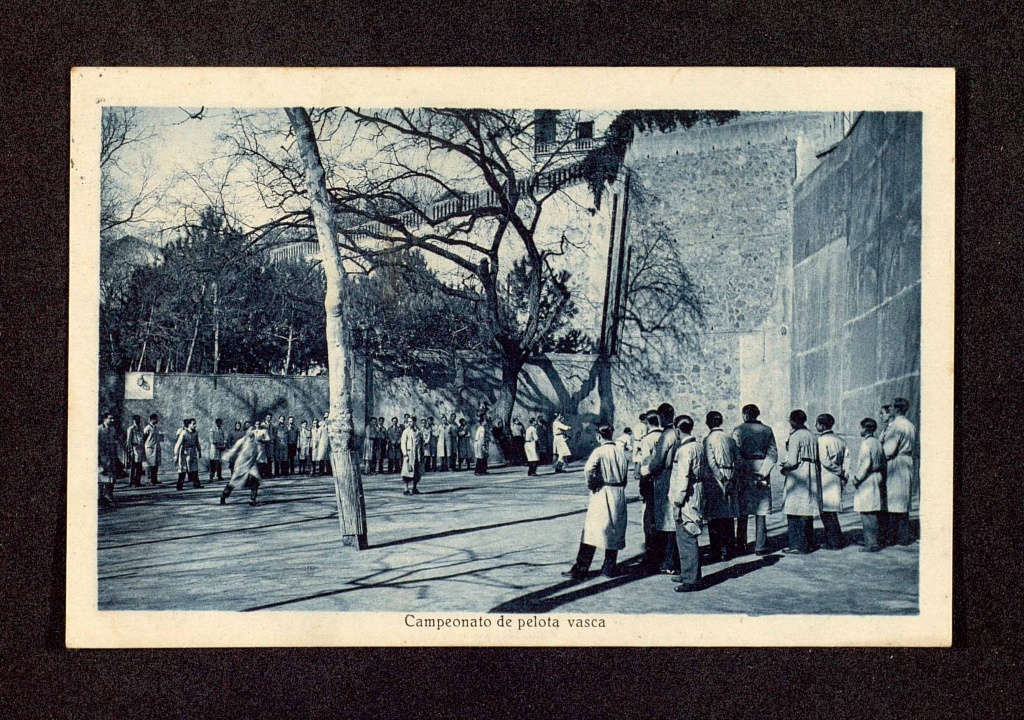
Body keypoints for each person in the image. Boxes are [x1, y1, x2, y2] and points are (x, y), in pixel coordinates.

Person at [561, 424, 629, 581]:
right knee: (613, 530)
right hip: (618, 493)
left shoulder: (599, 451)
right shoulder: (620, 451)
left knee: (591, 531)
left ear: (599, 436)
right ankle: (609, 568)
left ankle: (580, 569)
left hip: (603, 492)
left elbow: (588, 469)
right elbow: (625, 475)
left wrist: (592, 483)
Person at [640, 403, 682, 575]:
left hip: (665, 477)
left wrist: (645, 471)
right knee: (672, 518)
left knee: (666, 520)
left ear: (661, 417)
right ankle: (670, 559)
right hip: (676, 474)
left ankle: (669, 561)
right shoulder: (679, 433)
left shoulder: (667, 435)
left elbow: (658, 461)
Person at [732, 404, 778, 556]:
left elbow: (736, 453)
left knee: (743, 511)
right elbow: (773, 454)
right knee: (761, 510)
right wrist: (763, 473)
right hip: (762, 468)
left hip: (745, 470)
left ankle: (740, 544)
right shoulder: (767, 430)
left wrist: (745, 469)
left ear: (745, 414)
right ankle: (760, 545)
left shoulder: (739, 430)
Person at [670, 415, 707, 592]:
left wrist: (677, 503)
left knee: (687, 536)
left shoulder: (684, 450)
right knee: (685, 535)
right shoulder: (698, 446)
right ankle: (687, 572)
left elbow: (683, 479)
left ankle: (692, 579)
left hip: (687, 496)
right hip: (697, 492)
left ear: (677, 430)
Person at [779, 409, 820, 554]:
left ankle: (797, 545)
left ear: (794, 421)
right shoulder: (812, 435)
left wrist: (784, 468)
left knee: (794, 509)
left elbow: (792, 461)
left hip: (798, 474)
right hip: (811, 473)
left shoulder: (796, 436)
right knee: (806, 509)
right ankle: (808, 543)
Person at [880, 397, 917, 546]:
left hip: (896, 463)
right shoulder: (910, 425)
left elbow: (889, 450)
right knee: (903, 499)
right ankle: (904, 537)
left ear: (895, 409)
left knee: (893, 500)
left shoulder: (896, 426)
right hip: (907, 461)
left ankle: (893, 537)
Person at [703, 410, 738, 562]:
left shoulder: (708, 439)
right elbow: (738, 459)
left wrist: (721, 478)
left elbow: (711, 463)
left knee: (715, 516)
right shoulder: (729, 438)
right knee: (728, 515)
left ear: (708, 423)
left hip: (716, 479)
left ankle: (717, 549)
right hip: (730, 474)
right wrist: (731, 477)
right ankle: (729, 548)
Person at [852, 417, 887, 552]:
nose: (859, 430)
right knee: (873, 509)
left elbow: (865, 464)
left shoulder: (866, 444)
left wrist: (857, 479)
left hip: (867, 478)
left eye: (861, 427)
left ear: (865, 429)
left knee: (867, 512)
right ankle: (871, 540)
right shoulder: (878, 442)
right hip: (877, 476)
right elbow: (883, 461)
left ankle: (872, 544)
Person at [816, 413, 847, 550]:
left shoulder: (821, 440)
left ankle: (833, 542)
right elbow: (847, 460)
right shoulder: (840, 440)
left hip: (825, 477)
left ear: (822, 425)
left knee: (827, 512)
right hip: (836, 478)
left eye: (817, 424)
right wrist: (843, 474)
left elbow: (824, 461)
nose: (815, 426)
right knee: (832, 511)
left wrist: (837, 470)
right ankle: (837, 539)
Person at [219, 422, 262, 506]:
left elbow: (257, 451)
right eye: (251, 430)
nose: (253, 431)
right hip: (241, 465)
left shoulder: (255, 440)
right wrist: (226, 456)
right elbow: (233, 450)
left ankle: (252, 500)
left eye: (253, 429)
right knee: (234, 482)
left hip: (251, 464)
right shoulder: (242, 440)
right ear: (246, 431)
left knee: (255, 480)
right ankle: (223, 495)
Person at [174, 418, 203, 490]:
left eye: (195, 424)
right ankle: (179, 486)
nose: (195, 425)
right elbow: (178, 444)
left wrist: (199, 451)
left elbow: (197, 443)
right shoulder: (184, 433)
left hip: (193, 451)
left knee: (194, 468)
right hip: (184, 452)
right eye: (193, 424)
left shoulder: (195, 433)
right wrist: (176, 454)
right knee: (183, 468)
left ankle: (196, 484)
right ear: (189, 424)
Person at [98, 411, 119, 506]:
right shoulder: (99, 429)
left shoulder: (113, 429)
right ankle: (100, 498)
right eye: (110, 418)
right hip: (102, 458)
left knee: (111, 479)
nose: (112, 420)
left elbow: (114, 442)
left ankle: (109, 497)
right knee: (101, 478)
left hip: (111, 457)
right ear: (104, 419)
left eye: (113, 418)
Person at [400, 416, 422, 495]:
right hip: (409, 454)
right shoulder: (406, 431)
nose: (409, 423)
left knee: (416, 472)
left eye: (411, 421)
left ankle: (414, 488)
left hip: (417, 454)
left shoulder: (418, 431)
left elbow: (420, 444)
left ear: (415, 422)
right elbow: (403, 444)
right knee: (407, 472)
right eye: (408, 421)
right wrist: (405, 455)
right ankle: (406, 489)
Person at [142, 413, 163, 486]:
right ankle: (148, 480)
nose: (157, 420)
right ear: (152, 419)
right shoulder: (147, 428)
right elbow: (143, 439)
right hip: (149, 449)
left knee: (156, 464)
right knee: (149, 465)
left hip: (156, 448)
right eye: (156, 419)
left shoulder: (156, 428)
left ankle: (154, 479)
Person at [124, 414, 145, 488]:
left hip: (140, 448)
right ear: (133, 420)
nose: (138, 421)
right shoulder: (131, 429)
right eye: (136, 420)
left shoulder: (141, 428)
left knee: (139, 466)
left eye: (139, 419)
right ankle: (131, 482)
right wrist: (130, 450)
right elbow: (129, 440)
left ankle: (137, 481)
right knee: (133, 466)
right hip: (134, 448)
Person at [208, 418, 227, 484]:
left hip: (220, 448)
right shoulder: (212, 430)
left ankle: (219, 475)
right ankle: (211, 476)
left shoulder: (222, 430)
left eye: (220, 423)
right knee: (213, 462)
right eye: (219, 423)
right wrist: (216, 443)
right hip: (214, 448)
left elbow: (224, 437)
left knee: (219, 462)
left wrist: (224, 443)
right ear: (216, 423)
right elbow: (211, 439)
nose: (220, 424)